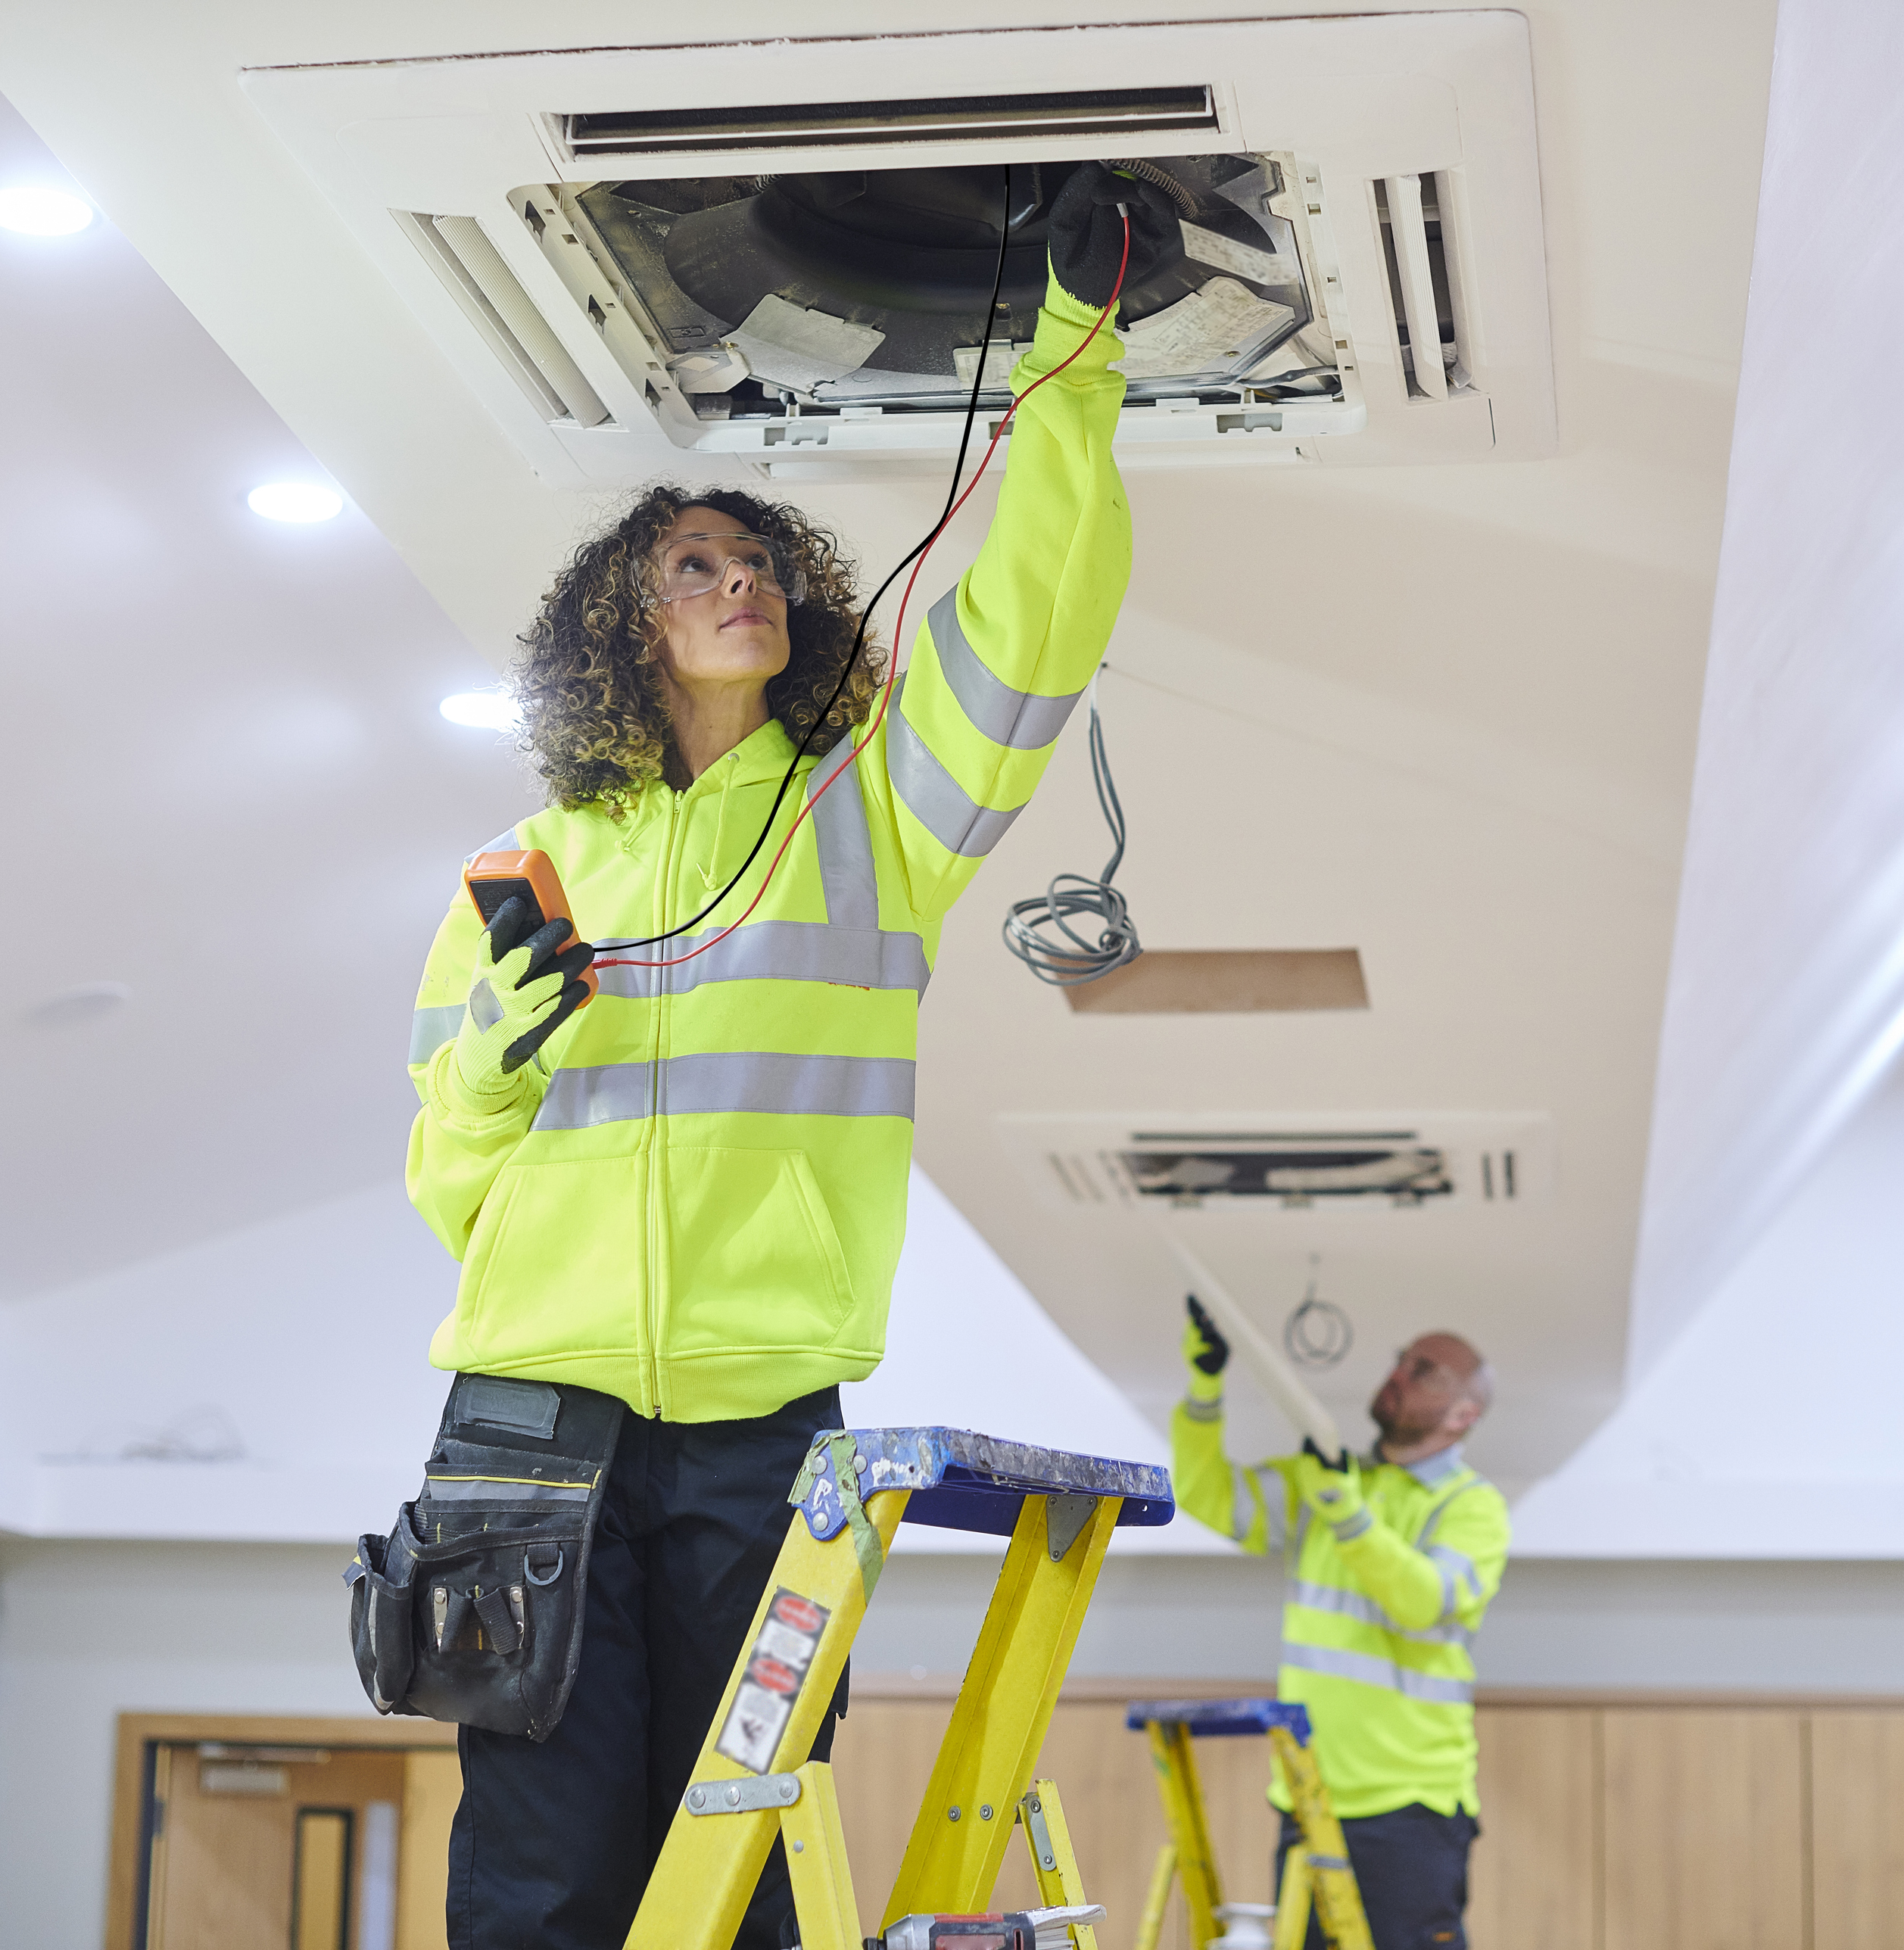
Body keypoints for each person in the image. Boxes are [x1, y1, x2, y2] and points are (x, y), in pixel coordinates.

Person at [397, 165, 1175, 1949]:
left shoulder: (873, 814)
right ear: (621, 623)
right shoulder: (517, 877)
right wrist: (498, 1065)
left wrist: (1075, 349)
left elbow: (1037, 619)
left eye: (757, 564)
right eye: (692, 566)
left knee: (735, 1861)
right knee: (542, 1869)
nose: (737, 582)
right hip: (531, 1417)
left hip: (765, 1414)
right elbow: (450, 1187)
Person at [1170, 1303, 1513, 1950]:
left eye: (1424, 1370)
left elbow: (1424, 1600)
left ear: (1464, 1414)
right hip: (1309, 1792)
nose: (1399, 1373)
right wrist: (1204, 1386)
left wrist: (1344, 1510)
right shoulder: (1329, 1481)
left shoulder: (1473, 1507)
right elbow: (1205, 1494)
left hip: (1409, 1805)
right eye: (1402, 1359)